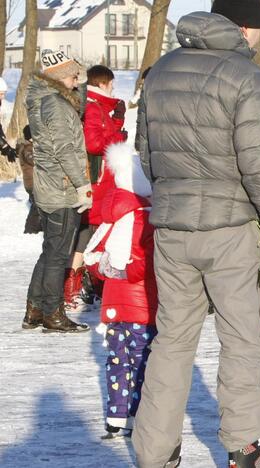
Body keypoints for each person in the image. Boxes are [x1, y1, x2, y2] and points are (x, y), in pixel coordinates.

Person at [132, 2, 260, 467]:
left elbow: (148, 156)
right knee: (241, 337)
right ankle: (244, 447)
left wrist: (177, 193)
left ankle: (155, 451)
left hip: (172, 230)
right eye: (259, 28)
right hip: (230, 231)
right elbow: (259, 163)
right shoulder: (245, 76)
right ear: (245, 26)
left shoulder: (160, 72)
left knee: (172, 339)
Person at [83, 142, 157, 440]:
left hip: (113, 306)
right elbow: (149, 264)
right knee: (142, 362)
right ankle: (139, 415)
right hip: (143, 306)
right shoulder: (149, 220)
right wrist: (129, 271)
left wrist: (109, 270)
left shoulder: (113, 221)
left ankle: (116, 416)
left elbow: (95, 261)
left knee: (117, 361)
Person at [22, 49, 91, 333]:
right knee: (58, 255)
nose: (77, 82)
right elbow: (65, 149)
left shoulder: (44, 99)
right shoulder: (57, 106)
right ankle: (53, 313)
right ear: (61, 77)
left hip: (49, 184)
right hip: (61, 187)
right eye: (74, 76)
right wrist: (82, 184)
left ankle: (35, 310)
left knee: (50, 251)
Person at [62, 64, 128, 313]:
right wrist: (118, 137)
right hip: (97, 182)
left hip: (103, 181)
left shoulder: (100, 108)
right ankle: (73, 288)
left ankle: (86, 285)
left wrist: (117, 121)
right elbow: (93, 142)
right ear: (102, 83)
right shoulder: (93, 107)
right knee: (88, 233)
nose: (113, 87)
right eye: (111, 83)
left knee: (95, 233)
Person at [17, 125, 41, 234]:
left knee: (39, 205)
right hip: (32, 182)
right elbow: (34, 161)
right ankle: (30, 229)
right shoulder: (27, 148)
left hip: (33, 182)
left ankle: (37, 226)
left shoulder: (28, 146)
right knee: (37, 206)